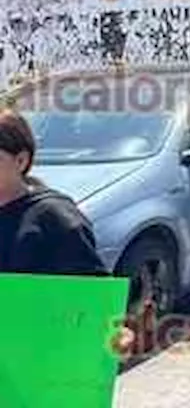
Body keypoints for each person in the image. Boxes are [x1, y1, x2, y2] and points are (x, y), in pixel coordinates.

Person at [0, 109, 134, 355]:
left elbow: (91, 297)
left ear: (21, 160)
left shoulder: (54, 219)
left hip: (33, 364)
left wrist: (113, 332)